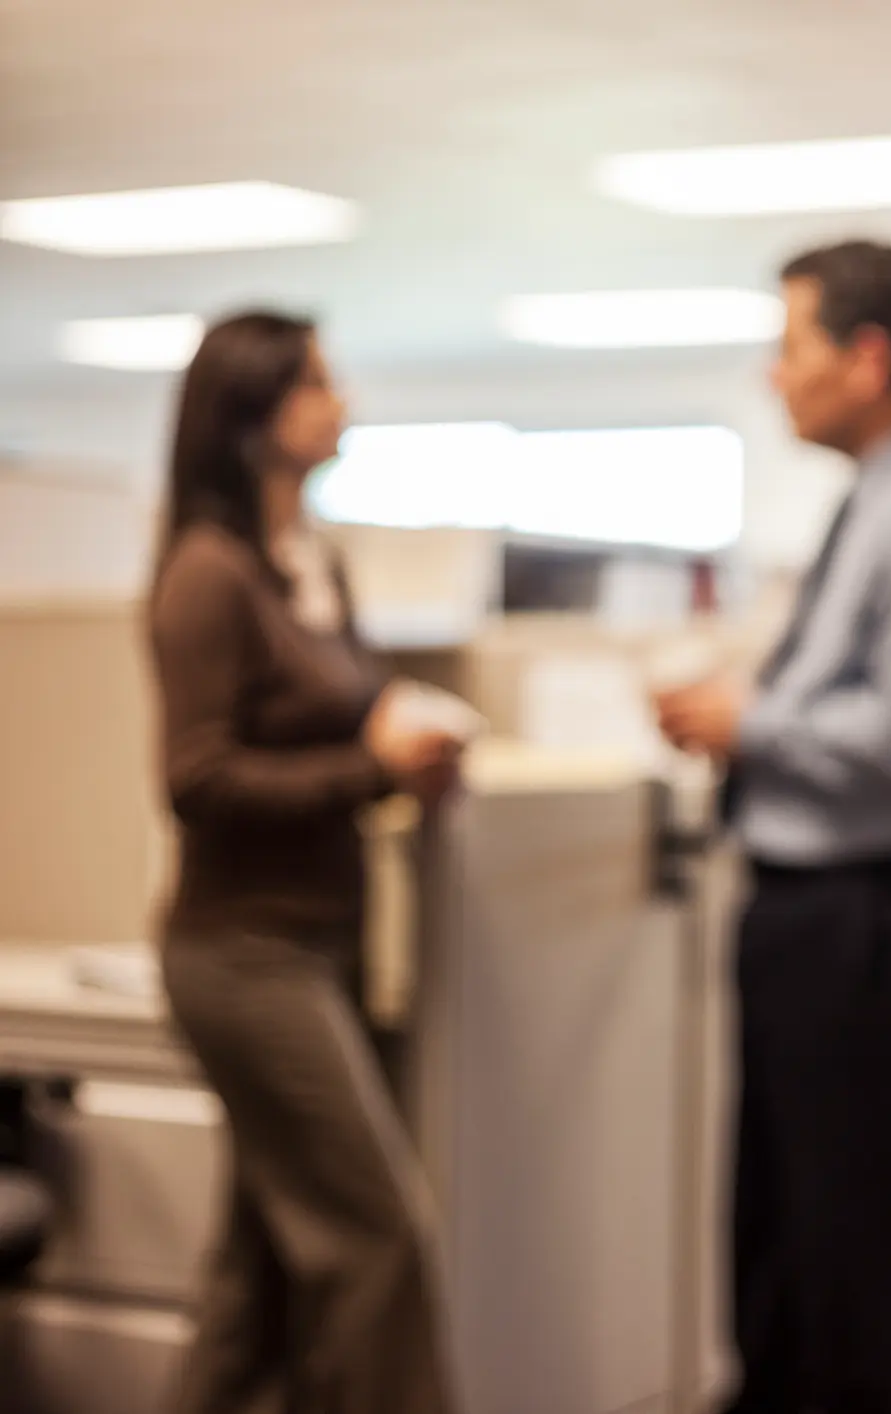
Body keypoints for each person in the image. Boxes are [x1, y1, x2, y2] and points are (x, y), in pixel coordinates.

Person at [657, 242, 891, 1414]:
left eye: (792, 344)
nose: (773, 375)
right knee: (783, 1223)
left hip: (864, 908)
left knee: (840, 1232)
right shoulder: (879, 500)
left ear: (867, 359)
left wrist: (752, 722)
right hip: (812, 906)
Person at [147, 311, 462, 1414]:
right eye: (317, 385)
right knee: (381, 1235)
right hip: (244, 954)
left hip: (324, 941)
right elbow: (194, 779)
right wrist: (369, 767)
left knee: (263, 1272)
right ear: (250, 415)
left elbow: (352, 712)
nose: (344, 405)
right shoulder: (207, 575)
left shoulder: (309, 565)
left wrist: (406, 736)